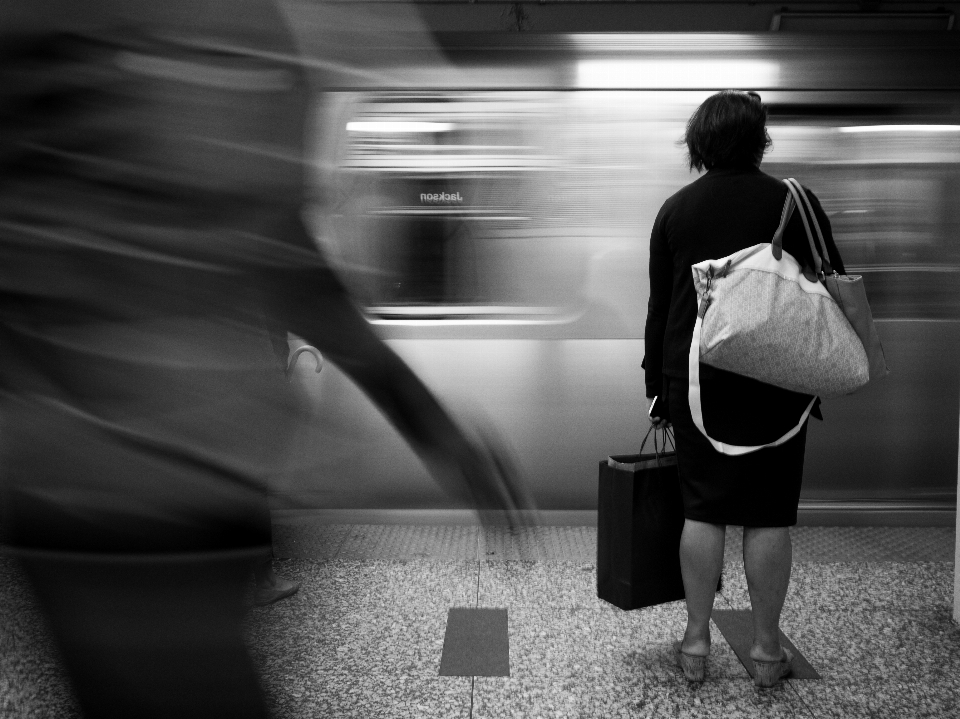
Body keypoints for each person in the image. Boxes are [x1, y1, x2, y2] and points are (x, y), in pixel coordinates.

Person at [0, 2, 532, 717]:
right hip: (116, 480)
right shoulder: (104, 31)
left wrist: (431, 425)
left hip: (195, 478)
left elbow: (279, 252)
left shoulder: (248, 32)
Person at [642, 90, 846, 687]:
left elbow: (661, 310)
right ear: (760, 141)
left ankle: (696, 644)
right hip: (779, 381)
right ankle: (763, 653)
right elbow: (830, 284)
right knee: (768, 514)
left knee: (702, 510)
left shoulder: (676, 210)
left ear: (699, 142)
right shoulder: (793, 202)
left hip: (698, 384)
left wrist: (657, 385)